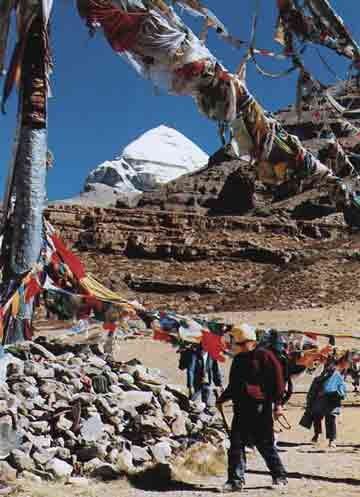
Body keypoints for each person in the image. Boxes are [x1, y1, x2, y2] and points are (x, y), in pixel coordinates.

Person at [216, 324, 287, 492]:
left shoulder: (265, 356)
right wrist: (222, 399)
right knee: (236, 445)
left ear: (249, 342)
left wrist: (278, 405)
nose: (236, 347)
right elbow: (234, 385)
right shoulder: (239, 359)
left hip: (260, 408)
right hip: (241, 408)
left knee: (265, 444)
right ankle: (235, 481)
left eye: (238, 344)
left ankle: (280, 476)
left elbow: (278, 382)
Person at [309, 353, 349, 448]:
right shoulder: (325, 371)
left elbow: (341, 386)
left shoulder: (339, 373)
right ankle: (318, 435)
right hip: (322, 398)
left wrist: (340, 392)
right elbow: (316, 382)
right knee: (317, 416)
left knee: (330, 418)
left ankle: (331, 439)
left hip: (333, 398)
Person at [179, 343, 223, 411]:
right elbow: (190, 370)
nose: (201, 351)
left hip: (207, 382)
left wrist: (219, 384)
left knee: (207, 404)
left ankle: (204, 417)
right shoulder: (194, 355)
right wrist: (190, 386)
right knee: (192, 401)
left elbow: (215, 370)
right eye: (200, 349)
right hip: (197, 383)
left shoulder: (211, 356)